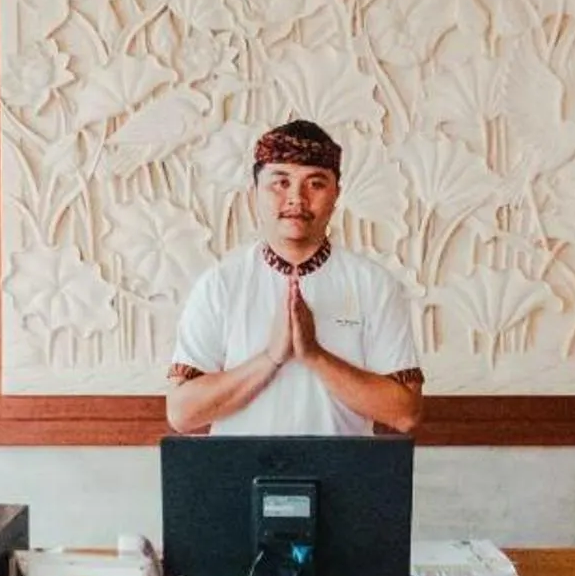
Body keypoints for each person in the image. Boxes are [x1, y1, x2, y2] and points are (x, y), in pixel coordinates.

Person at [165, 119, 424, 436]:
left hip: (343, 477)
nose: (296, 199)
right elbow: (182, 413)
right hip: (240, 479)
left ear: (336, 194)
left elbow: (405, 413)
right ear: (256, 191)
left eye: (315, 184)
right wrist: (271, 357)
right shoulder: (220, 285)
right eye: (281, 182)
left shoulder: (374, 285)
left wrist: (314, 355)